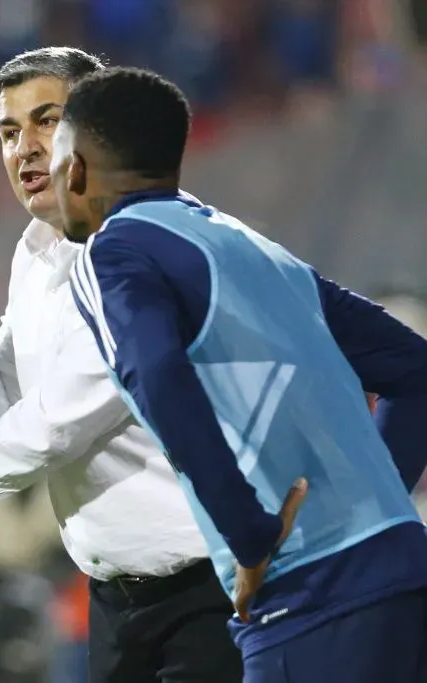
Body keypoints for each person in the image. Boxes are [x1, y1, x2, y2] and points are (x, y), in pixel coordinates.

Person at [0, 48, 242, 683]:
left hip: (211, 589)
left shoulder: (144, 248)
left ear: (99, 127)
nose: (25, 148)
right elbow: (15, 405)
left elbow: (60, 424)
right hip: (117, 599)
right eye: (9, 132)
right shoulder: (36, 252)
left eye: (47, 121)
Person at [49, 67, 427, 682]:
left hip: (306, 605)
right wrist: (372, 509)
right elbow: (415, 368)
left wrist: (252, 538)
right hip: (403, 579)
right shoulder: (256, 249)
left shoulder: (111, 253)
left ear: (78, 168)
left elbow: (158, 377)